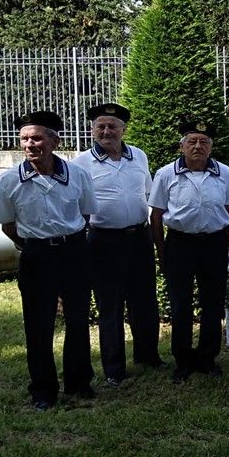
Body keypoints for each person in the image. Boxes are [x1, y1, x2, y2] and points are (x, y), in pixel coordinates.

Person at [0, 111, 97, 411]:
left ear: (54, 141)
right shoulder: (8, 181)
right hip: (37, 256)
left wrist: (66, 239)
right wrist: (35, 245)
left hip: (74, 252)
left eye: (36, 138)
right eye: (24, 139)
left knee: (77, 319)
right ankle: (43, 390)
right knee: (38, 325)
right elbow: (8, 225)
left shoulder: (78, 175)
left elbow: (85, 213)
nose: (30, 145)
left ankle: (79, 382)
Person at [71, 102, 163, 386]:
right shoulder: (81, 163)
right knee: (110, 304)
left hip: (139, 237)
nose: (107, 131)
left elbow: (146, 193)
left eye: (113, 126)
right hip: (104, 241)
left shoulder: (139, 156)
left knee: (144, 300)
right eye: (101, 127)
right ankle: (114, 368)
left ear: (124, 130)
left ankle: (148, 355)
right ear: (92, 130)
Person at [148, 122, 229, 383]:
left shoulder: (224, 172)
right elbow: (156, 215)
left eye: (203, 142)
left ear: (211, 147)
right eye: (192, 141)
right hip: (180, 244)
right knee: (180, 304)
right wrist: (162, 250)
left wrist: (223, 244)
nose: (198, 146)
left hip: (213, 244)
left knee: (213, 303)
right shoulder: (166, 174)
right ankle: (183, 360)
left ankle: (208, 358)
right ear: (182, 146)